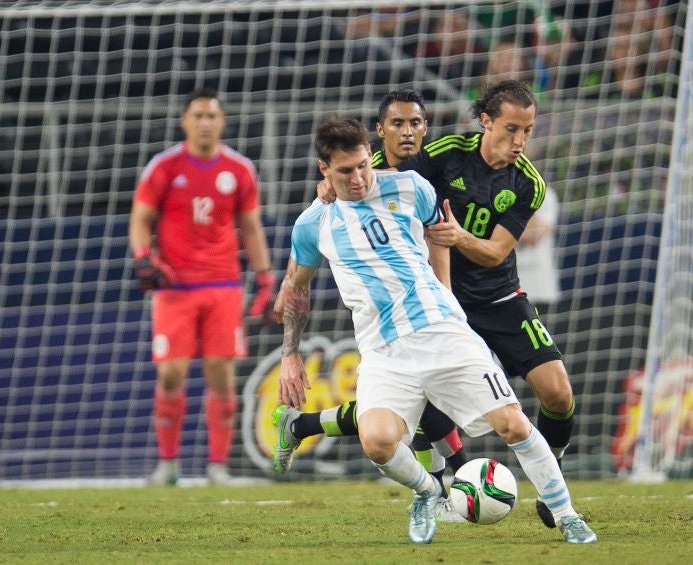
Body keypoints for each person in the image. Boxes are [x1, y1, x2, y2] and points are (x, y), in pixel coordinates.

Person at [278, 116, 596, 545]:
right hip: (383, 352)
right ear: (324, 171)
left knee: (513, 424)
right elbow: (296, 290)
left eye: (361, 166)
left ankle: (567, 514)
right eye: (345, 171)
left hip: (442, 331)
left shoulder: (410, 187)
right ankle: (428, 492)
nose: (357, 178)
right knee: (377, 442)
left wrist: (446, 298)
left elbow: (438, 235)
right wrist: (290, 355)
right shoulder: (312, 224)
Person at [272, 91, 469, 520]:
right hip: (390, 312)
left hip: (448, 300)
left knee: (418, 403)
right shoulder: (363, 176)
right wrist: (290, 282)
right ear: (379, 132)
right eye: (397, 123)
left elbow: (440, 234)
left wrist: (447, 295)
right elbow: (322, 213)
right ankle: (452, 480)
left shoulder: (432, 166)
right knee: (412, 401)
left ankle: (302, 425)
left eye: (416, 122)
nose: (408, 131)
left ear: (427, 127)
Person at [129, 87, 276, 485]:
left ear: (222, 121)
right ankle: (168, 465)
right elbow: (141, 217)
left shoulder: (240, 169)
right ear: (185, 121)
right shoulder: (164, 166)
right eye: (199, 115)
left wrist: (265, 279)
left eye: (212, 116)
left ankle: (217, 467)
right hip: (174, 287)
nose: (206, 122)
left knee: (220, 374)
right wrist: (144, 256)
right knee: (171, 374)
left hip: (223, 284)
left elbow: (250, 226)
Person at [516, 185, 561, 314]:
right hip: (507, 291)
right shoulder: (496, 190)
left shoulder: (544, 193)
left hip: (539, 289)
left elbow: (534, 236)